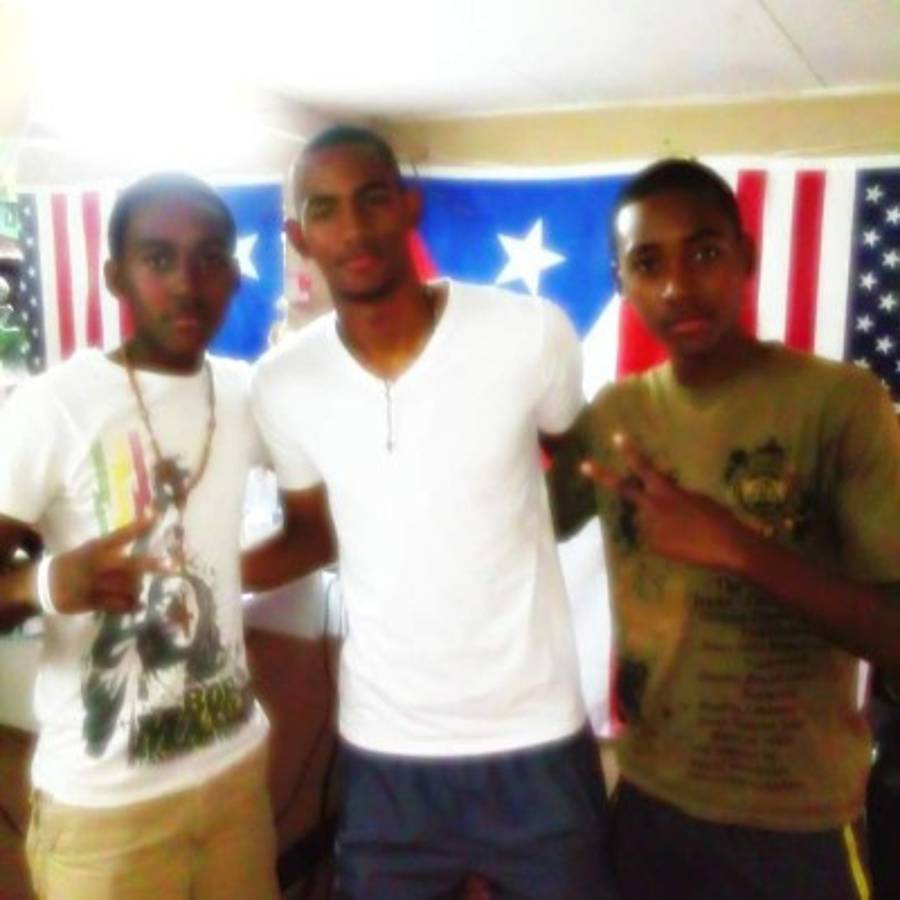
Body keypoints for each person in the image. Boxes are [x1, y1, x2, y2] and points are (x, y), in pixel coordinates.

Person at [245, 125, 614, 899]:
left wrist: (501, 532)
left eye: (372, 199)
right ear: (298, 236)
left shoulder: (528, 333)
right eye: (324, 210)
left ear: (408, 207)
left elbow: (579, 468)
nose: (353, 228)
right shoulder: (282, 382)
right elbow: (311, 535)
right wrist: (204, 573)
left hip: (535, 736)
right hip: (387, 749)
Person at [548, 158, 900, 900]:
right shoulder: (615, 416)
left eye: (704, 252)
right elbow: (513, 528)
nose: (677, 286)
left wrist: (736, 548)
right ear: (621, 281)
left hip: (798, 820)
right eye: (649, 264)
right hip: (652, 802)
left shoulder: (842, 403)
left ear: (747, 256)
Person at [0, 174, 280, 900]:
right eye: (158, 259)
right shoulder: (52, 408)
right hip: (106, 811)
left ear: (234, 275)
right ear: (115, 276)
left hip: (233, 780)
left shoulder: (246, 392)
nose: (187, 283)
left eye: (209, 258)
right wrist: (45, 584)